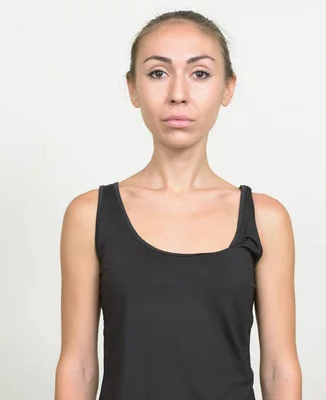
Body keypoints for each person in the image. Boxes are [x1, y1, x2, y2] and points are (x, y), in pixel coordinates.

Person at [55, 10, 301, 400]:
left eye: (200, 73)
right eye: (158, 73)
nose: (178, 93)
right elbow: (79, 364)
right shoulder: (90, 215)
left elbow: (279, 367)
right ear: (133, 89)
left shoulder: (265, 218)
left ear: (228, 88)